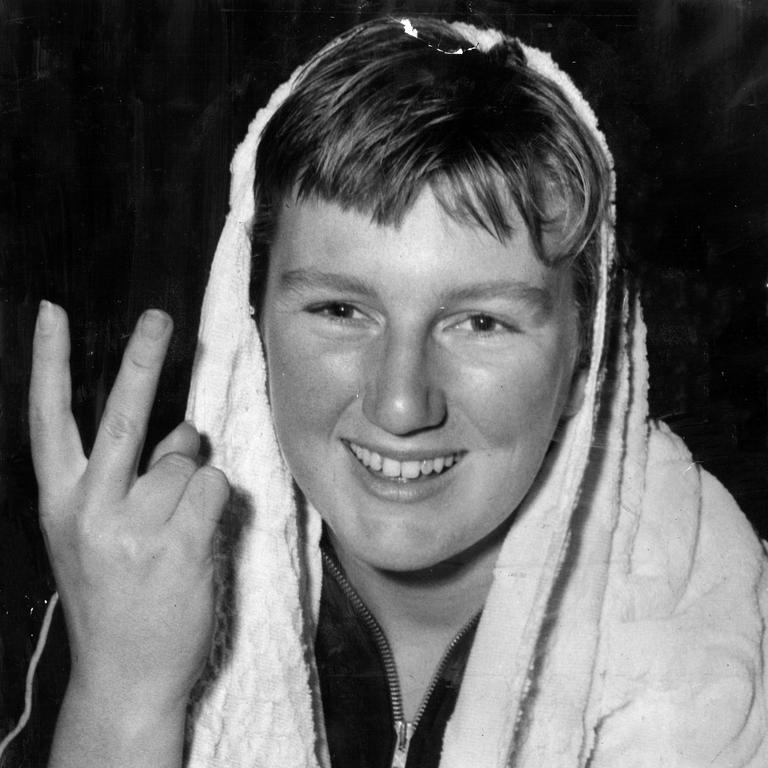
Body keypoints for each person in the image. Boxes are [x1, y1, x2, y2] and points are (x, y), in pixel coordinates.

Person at [23, 16, 768, 768]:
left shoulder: (729, 623)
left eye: (481, 322)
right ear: (255, 330)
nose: (401, 405)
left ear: (585, 360)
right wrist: (121, 695)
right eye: (341, 311)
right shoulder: (128, 580)